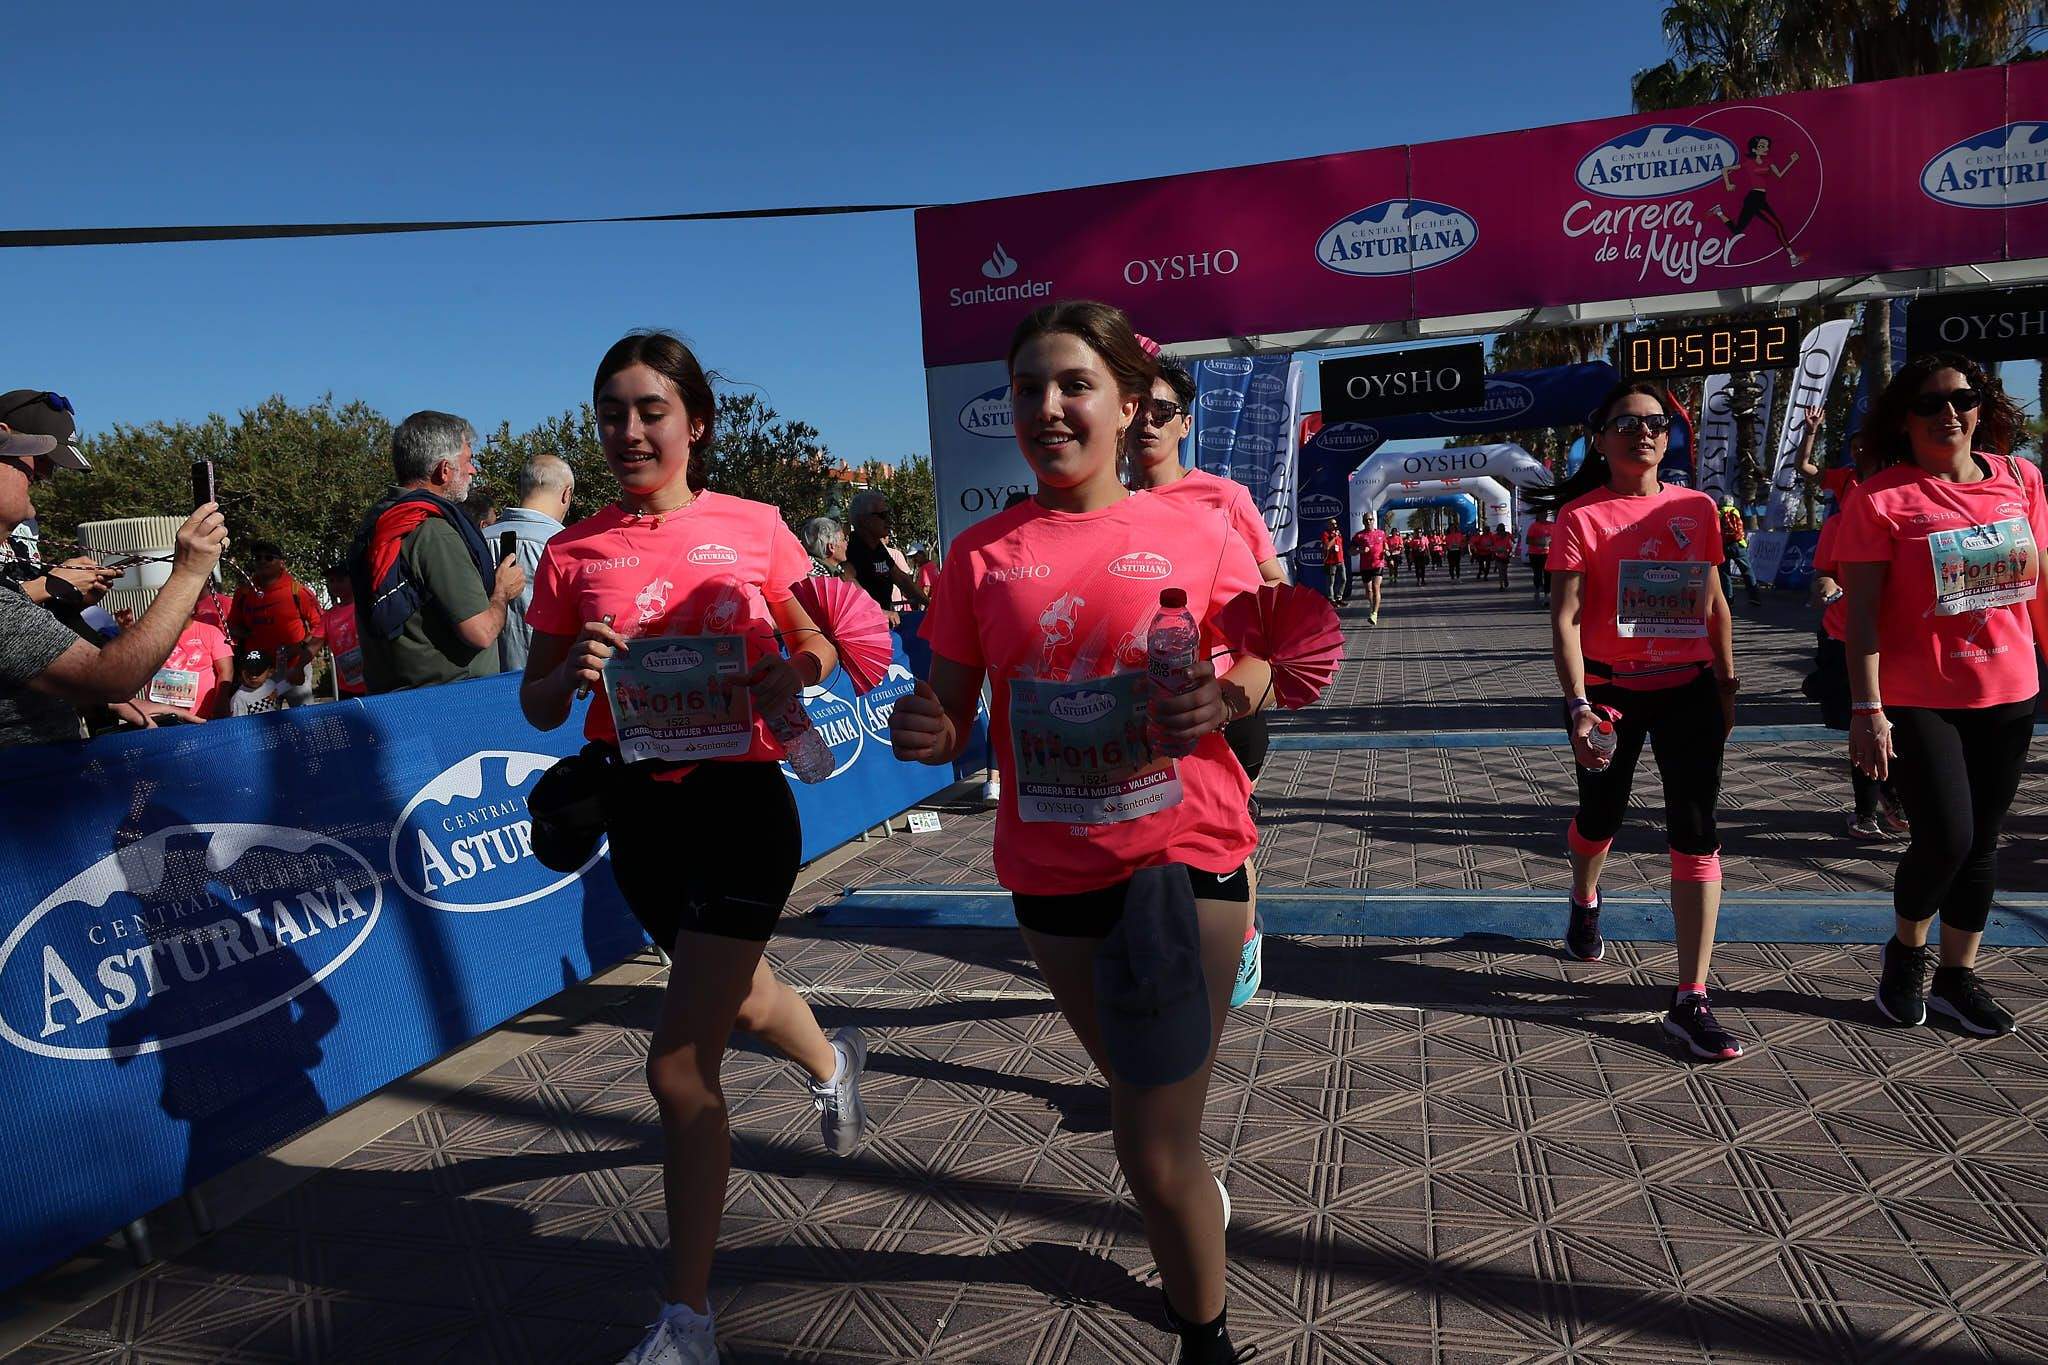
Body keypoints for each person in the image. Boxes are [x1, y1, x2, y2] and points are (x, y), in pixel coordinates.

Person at [893, 300, 1267, 1365]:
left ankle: (1204, 1335)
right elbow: (949, 714)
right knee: (1138, 1097)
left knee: (1147, 1146)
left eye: (1071, 386)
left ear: (1127, 402)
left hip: (1182, 855)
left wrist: (1225, 703)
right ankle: (1188, 1188)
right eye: (1025, 389)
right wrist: (923, 729)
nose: (1046, 408)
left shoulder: (1198, 526)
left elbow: (1255, 662)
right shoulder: (977, 556)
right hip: (1050, 872)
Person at [519, 331, 867, 1365]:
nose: (629, 431)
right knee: (738, 989)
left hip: (742, 807)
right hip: (640, 819)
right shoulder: (570, 554)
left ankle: (688, 1322)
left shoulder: (754, 528)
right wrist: (571, 670)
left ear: (694, 423)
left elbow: (819, 640)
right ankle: (830, 1060)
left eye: (650, 411)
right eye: (612, 414)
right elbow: (537, 705)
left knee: (677, 1066)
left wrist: (787, 673)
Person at [1838, 351, 2046, 1038]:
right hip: (1917, 694)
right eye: (1928, 404)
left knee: (1983, 842)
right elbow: (1860, 615)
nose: (1947, 413)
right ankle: (1906, 952)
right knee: (1946, 836)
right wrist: (1866, 711)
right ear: (1904, 420)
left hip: (2010, 690)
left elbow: (2041, 589)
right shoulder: (1881, 498)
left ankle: (1959, 975)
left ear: (1983, 407)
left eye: (1961, 398)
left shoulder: (2022, 479)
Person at [1542, 381, 1743, 1062]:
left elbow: (1715, 602)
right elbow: (1565, 620)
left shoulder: (1697, 506)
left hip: (1687, 689)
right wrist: (1576, 703)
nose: (1643, 432)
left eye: (1655, 421)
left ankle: (1691, 995)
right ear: (1599, 439)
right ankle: (1585, 893)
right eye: (1626, 423)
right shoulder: (1580, 518)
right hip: (1609, 692)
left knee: (1696, 828)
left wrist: (1727, 680)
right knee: (1601, 818)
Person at [1124, 354, 1288, 1005]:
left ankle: (1240, 933)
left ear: (1185, 423)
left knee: (1224, 831)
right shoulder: (1112, 505)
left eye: (1162, 410)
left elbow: (1273, 587)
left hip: (1224, 708)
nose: (1147, 423)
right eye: (1136, 409)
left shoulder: (1224, 498)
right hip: (1139, 718)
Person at [0, 394, 229, 749]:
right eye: (39, 459)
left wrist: (113, 699)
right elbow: (110, 675)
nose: (45, 475)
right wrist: (188, 571)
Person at [346, 411, 524, 692]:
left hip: (395, 699)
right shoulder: (432, 531)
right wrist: (502, 590)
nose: (472, 471)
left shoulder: (379, 521)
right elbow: (481, 632)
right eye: (468, 460)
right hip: (450, 704)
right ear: (444, 469)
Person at [1806, 487, 1906, 840]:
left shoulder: (1914, 518)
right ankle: (1867, 811)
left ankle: (1895, 797)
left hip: (1908, 644)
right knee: (1866, 723)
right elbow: (1824, 574)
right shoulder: (1840, 522)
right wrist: (1826, 589)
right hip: (1850, 640)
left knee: (1904, 727)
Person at [496, 454, 575, 672]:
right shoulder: (569, 548)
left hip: (482, 688)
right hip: (547, 683)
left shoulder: (477, 540)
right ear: (566, 494)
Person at [227, 541, 322, 706]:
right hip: (259, 673)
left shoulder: (297, 591)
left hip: (294, 668)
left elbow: (320, 627)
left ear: (281, 563)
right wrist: (248, 635)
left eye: (269, 557)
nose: (262, 561)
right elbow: (232, 626)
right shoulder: (243, 593)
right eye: (258, 558)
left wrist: (300, 649)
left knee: (304, 722)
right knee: (266, 724)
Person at [1711, 134, 1804, 268]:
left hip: (1760, 199)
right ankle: (1793, 257)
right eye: (1761, 146)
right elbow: (1725, 169)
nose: (1765, 148)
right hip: (1754, 198)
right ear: (1754, 150)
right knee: (1777, 226)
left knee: (1737, 230)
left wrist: (1792, 161)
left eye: (1766, 146)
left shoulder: (1769, 161)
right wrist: (1728, 184)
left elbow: (1779, 174)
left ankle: (1719, 212)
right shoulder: (1749, 163)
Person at [137, 600, 233, 722]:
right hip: (162, 716)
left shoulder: (211, 632)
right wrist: (126, 629)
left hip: (202, 716)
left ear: (192, 609)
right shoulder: (153, 635)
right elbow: (137, 664)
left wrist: (221, 702)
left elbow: (226, 671)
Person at [846, 489, 928, 626]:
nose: (889, 521)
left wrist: (930, 604)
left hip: (884, 624)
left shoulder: (878, 548)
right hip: (863, 628)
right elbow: (854, 594)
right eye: (883, 515)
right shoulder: (851, 552)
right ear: (864, 520)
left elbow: (901, 579)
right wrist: (880, 612)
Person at [320, 569, 367, 699]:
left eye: (340, 580)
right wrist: (299, 666)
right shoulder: (328, 616)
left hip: (374, 684)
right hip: (347, 688)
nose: (335, 584)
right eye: (331, 581)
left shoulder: (366, 606)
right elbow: (314, 644)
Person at [1718, 497, 1764, 606]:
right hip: (1738, 544)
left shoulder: (1718, 514)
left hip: (1723, 546)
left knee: (1725, 573)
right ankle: (1754, 597)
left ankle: (1728, 600)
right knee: (1747, 570)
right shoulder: (1736, 512)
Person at [227, 647, 289, 717]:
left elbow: (292, 682)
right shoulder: (239, 698)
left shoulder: (271, 684)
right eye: (249, 672)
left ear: (270, 672)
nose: (253, 676)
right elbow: (239, 723)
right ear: (241, 672)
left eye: (258, 672)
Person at [1352, 512, 1389, 625]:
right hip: (1365, 566)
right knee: (1368, 591)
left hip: (1378, 564)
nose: (1368, 521)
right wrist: (1359, 551)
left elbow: (1385, 545)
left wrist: (1387, 551)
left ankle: (1374, 614)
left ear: (1374, 521)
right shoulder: (1359, 536)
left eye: (1370, 519)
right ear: (1363, 522)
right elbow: (1350, 551)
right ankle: (1372, 606)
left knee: (1376, 587)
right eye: (1366, 520)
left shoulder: (1381, 533)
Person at [1525, 513, 1556, 604]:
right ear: (1538, 516)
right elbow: (1528, 540)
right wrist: (1540, 543)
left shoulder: (1552, 525)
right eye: (1542, 514)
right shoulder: (1534, 526)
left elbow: (1556, 538)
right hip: (1535, 554)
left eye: (1545, 514)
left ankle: (1547, 595)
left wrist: (1551, 543)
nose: (1544, 515)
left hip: (1548, 554)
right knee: (1537, 574)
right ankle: (1537, 590)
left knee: (1548, 575)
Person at [1320, 519, 1348, 604]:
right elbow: (1327, 547)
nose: (1334, 525)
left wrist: (1337, 536)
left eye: (1335, 523)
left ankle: (1339, 597)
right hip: (1331, 562)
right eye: (1332, 524)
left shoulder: (1338, 533)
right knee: (1331, 582)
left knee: (1344, 579)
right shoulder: (1326, 534)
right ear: (1328, 525)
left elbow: (1340, 546)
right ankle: (1331, 599)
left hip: (1340, 560)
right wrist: (1335, 537)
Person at [1493, 522, 1514, 592]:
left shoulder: (1508, 535)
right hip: (1497, 556)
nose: (1501, 532)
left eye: (1502, 530)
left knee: (1504, 570)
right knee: (1500, 571)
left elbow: (1512, 542)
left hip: (1506, 555)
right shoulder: (1494, 536)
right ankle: (1501, 585)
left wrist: (1509, 551)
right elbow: (1491, 544)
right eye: (1499, 530)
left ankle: (1505, 579)